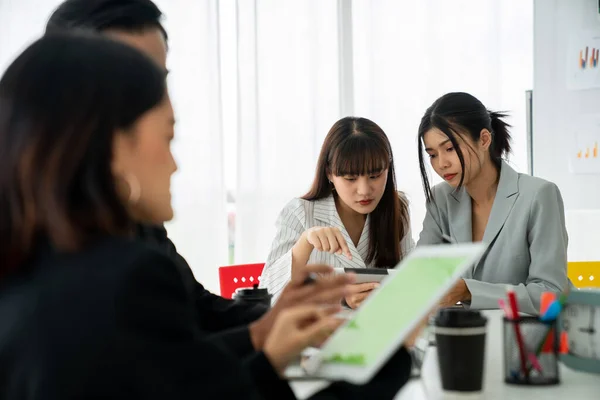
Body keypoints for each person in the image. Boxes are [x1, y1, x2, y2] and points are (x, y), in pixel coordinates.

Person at [0, 33, 416, 399]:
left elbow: (193, 370)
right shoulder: (127, 277)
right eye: (168, 135)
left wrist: (267, 339)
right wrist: (389, 353)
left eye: (375, 175)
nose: (175, 164)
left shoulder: (28, 273)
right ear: (110, 143)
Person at [44, 0, 314, 356]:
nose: (162, 107)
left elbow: (198, 310)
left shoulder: (134, 214)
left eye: (159, 81)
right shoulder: (44, 247)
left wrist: (285, 317)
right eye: (134, 83)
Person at [416, 92, 570, 315]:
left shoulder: (538, 195)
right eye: (432, 154)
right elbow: (420, 274)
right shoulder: (441, 199)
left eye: (450, 149)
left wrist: (469, 291)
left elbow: (551, 294)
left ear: (485, 139)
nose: (441, 164)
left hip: (530, 339)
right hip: (466, 336)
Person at [261, 117, 415, 308]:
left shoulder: (397, 208)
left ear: (388, 168)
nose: (364, 190)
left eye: (375, 176)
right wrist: (305, 243)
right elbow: (268, 296)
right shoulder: (300, 212)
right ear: (329, 173)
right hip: (317, 333)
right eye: (351, 178)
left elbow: (412, 282)